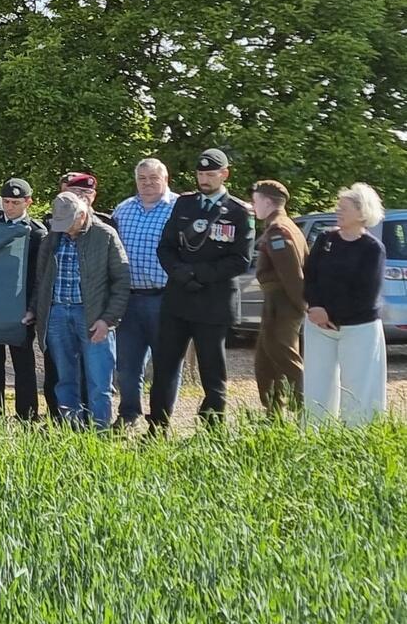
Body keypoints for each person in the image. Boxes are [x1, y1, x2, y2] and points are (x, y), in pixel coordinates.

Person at [147, 149, 255, 430]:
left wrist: (199, 274)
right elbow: (166, 247)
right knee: (165, 366)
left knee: (212, 370)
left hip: (213, 301)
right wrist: (182, 274)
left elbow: (240, 259)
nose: (204, 179)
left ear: (224, 174)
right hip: (178, 299)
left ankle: (211, 430)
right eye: (200, 174)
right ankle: (157, 427)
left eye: (210, 174)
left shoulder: (238, 212)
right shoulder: (184, 205)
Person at [33, 193, 130, 429]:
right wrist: (34, 309)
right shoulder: (52, 238)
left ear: (83, 214)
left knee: (99, 382)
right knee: (64, 379)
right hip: (57, 314)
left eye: (69, 223)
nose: (65, 229)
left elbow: (121, 282)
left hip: (93, 316)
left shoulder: (105, 235)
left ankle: (100, 432)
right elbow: (41, 280)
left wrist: (108, 320)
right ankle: (70, 429)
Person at [303, 183, 388, 425]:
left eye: (344, 208)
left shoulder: (372, 249)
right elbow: (310, 276)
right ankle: (315, 434)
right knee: (317, 384)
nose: (338, 211)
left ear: (362, 213)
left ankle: (359, 435)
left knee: (359, 387)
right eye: (338, 207)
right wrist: (315, 307)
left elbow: (366, 293)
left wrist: (330, 313)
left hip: (358, 327)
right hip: (318, 325)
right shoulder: (325, 239)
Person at [109, 159, 178, 428]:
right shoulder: (123, 210)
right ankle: (129, 414)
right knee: (127, 366)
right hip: (128, 299)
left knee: (166, 365)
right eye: (142, 178)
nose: (147, 183)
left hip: (165, 299)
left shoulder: (178, 209)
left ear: (165, 179)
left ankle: (160, 421)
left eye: (153, 178)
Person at [0, 178, 46, 420]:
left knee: (23, 364)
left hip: (21, 309)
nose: (10, 207)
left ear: (28, 202)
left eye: (16, 202)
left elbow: (39, 277)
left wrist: (32, 308)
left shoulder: (37, 233)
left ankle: (27, 415)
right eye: (6, 201)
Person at [250, 180, 307, 415]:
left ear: (267, 202)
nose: (253, 206)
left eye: (255, 201)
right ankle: (274, 414)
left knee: (286, 359)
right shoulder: (284, 225)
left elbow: (291, 274)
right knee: (265, 363)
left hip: (281, 303)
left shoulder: (278, 230)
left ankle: (307, 410)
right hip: (278, 302)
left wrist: (301, 305)